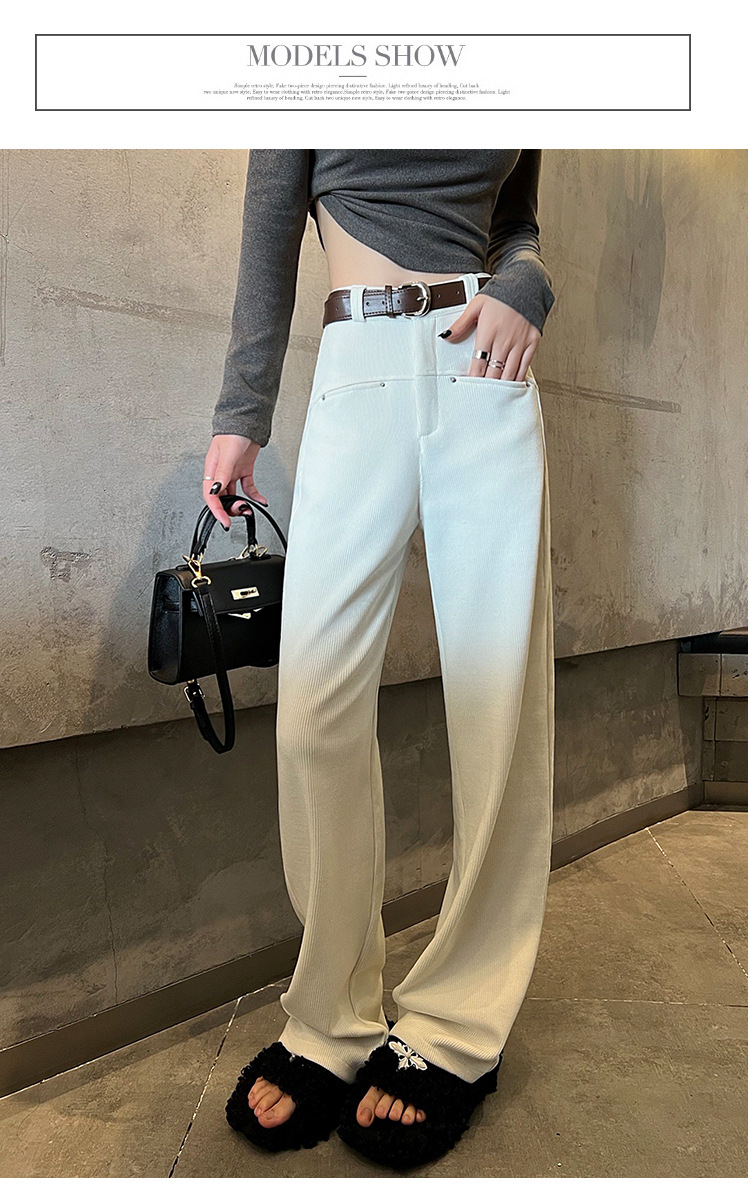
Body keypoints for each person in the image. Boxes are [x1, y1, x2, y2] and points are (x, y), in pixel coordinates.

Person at [207, 150, 556, 1171]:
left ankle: (458, 1026)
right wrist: (240, 415)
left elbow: (516, 225)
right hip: (355, 367)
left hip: (484, 369)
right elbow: (271, 229)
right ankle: (332, 1014)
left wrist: (528, 287)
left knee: (497, 705)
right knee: (316, 714)